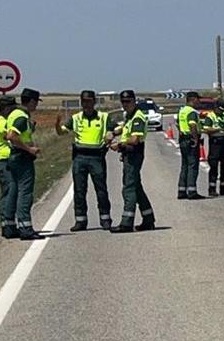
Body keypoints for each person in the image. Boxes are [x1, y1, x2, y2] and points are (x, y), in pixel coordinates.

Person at [55, 89, 113, 231]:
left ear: (94, 101)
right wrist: (57, 125)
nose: (86, 104)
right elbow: (62, 132)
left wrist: (111, 133)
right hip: (80, 157)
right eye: (84, 101)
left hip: (97, 157)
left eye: (89, 101)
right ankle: (80, 220)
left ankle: (105, 218)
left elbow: (116, 128)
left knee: (101, 189)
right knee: (79, 190)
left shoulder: (103, 117)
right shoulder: (76, 118)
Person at [110, 89, 156, 233]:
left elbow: (135, 139)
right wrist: (114, 133)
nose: (125, 104)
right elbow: (125, 129)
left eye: (128, 101)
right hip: (129, 154)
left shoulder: (138, 117)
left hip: (134, 153)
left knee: (129, 188)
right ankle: (148, 219)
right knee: (136, 187)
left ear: (134, 101)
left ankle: (127, 222)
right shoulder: (130, 116)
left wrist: (119, 145)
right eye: (123, 102)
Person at [1, 87, 43, 240]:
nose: (36, 106)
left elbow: (7, 134)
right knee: (25, 192)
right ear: (31, 101)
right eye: (36, 102)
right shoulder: (21, 116)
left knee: (14, 191)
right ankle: (25, 227)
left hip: (14, 156)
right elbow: (12, 136)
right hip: (22, 157)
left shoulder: (14, 114)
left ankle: (10, 225)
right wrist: (29, 149)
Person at [0, 95, 18, 238]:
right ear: (6, 108)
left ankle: (8, 224)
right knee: (9, 192)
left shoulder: (0, 121)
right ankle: (7, 225)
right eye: (12, 108)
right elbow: (11, 136)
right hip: (5, 160)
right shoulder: (2, 123)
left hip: (4, 160)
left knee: (8, 191)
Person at [175, 91, 206, 200]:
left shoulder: (182, 111)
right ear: (192, 99)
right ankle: (192, 191)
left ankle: (182, 190)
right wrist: (195, 139)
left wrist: (181, 132)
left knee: (184, 165)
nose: (199, 101)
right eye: (198, 99)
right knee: (193, 165)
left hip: (183, 139)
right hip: (190, 139)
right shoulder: (192, 112)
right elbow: (192, 125)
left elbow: (178, 124)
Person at [203, 97, 224, 196]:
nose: (222, 111)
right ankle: (212, 189)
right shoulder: (210, 116)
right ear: (215, 107)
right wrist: (219, 129)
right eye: (220, 109)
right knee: (214, 166)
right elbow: (206, 129)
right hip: (215, 143)